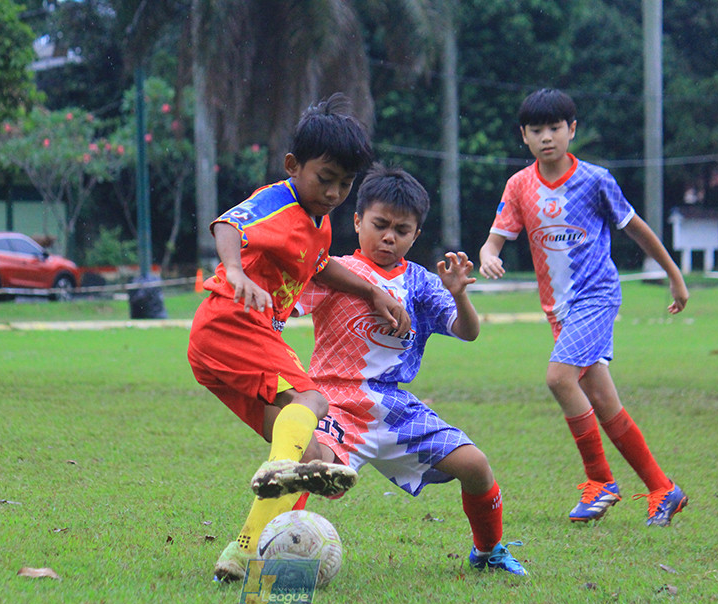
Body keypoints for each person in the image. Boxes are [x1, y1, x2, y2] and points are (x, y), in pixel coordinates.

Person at [188, 94, 412, 582]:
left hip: (227, 347)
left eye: (345, 184)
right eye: (324, 179)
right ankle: (275, 473)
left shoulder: (320, 223)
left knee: (308, 454)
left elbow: (321, 267)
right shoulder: (280, 199)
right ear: (294, 166)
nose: (333, 193)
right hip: (231, 322)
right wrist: (233, 270)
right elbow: (228, 223)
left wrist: (373, 292)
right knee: (313, 398)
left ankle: (242, 550)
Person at [293, 163, 527, 575]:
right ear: (357, 220)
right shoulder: (333, 271)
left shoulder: (420, 282)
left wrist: (459, 297)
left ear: (415, 235)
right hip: (335, 403)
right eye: (380, 224)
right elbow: (285, 300)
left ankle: (488, 551)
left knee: (476, 466)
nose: (388, 237)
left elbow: (467, 332)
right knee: (312, 469)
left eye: (401, 230)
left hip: (394, 406)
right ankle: (273, 548)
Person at [478, 88, 690, 527]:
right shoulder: (519, 186)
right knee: (601, 398)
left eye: (555, 127)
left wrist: (673, 273)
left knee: (559, 378)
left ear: (572, 129)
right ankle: (663, 489)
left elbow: (636, 229)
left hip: (596, 298)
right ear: (524, 136)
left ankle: (600, 481)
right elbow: (496, 237)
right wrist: (489, 254)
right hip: (558, 310)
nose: (546, 137)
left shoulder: (596, 179)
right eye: (536, 130)